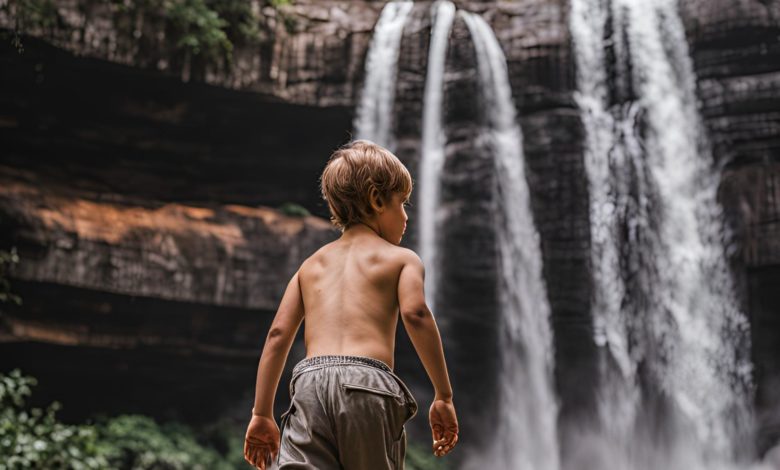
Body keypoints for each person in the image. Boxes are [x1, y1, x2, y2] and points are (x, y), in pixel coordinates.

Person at [243, 139, 459, 469]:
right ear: (376, 200)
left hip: (309, 385)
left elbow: (277, 335)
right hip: (368, 383)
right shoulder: (402, 259)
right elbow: (416, 314)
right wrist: (443, 395)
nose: (406, 216)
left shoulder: (310, 266)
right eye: (402, 203)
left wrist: (262, 413)